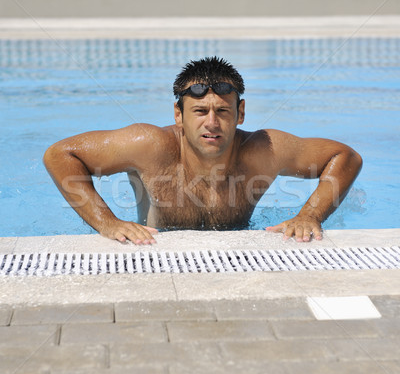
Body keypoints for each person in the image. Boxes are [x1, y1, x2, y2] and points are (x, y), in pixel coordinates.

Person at [43, 56, 362, 245]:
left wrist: (309, 215)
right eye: (199, 112)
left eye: (223, 111)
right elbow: (60, 155)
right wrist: (107, 222)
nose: (212, 123)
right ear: (178, 115)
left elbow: (345, 157)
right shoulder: (150, 146)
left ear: (240, 113)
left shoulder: (264, 150)